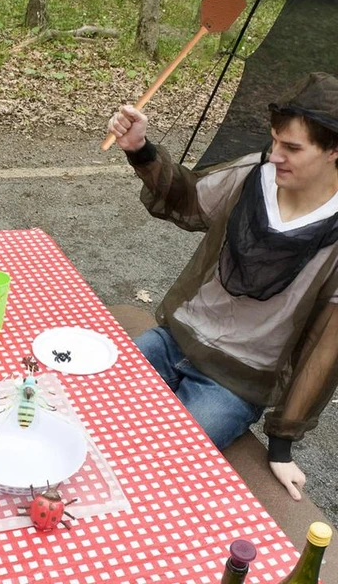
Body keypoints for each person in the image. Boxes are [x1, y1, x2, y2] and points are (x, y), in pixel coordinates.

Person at [107, 72, 338, 502]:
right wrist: (141, 149)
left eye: (292, 148)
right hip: (175, 338)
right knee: (94, 401)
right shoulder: (254, 174)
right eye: (274, 141)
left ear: (333, 151)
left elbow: (326, 349)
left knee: (163, 464)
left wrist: (283, 442)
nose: (274, 156)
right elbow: (190, 201)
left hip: (233, 382)